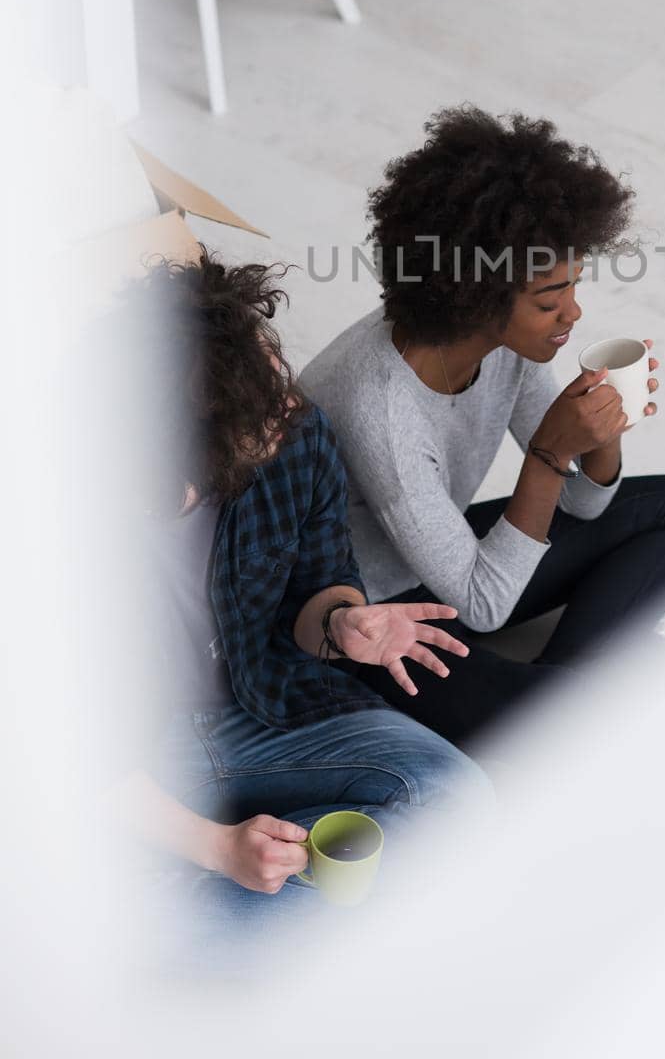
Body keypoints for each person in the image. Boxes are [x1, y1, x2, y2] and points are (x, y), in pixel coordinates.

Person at [92, 251, 488, 948]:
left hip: (261, 706)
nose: (290, 405)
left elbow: (317, 582)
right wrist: (215, 848)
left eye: (275, 372)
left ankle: (170, 919)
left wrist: (341, 623)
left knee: (458, 802)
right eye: (264, 407)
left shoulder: (297, 437)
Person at [301, 106, 665, 748]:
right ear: (474, 297)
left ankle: (573, 689)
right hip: (372, 620)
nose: (572, 314)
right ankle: (584, 695)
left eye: (573, 288)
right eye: (549, 301)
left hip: (444, 559)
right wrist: (550, 455)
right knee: (548, 724)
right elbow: (482, 604)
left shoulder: (503, 348)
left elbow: (585, 502)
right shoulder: (378, 408)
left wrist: (600, 435)